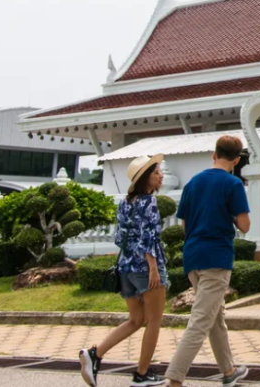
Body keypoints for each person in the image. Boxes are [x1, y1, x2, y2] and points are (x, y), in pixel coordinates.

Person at [165, 136, 251, 387]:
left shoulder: (193, 183)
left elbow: (184, 226)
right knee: (201, 320)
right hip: (217, 256)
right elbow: (244, 225)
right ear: (236, 160)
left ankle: (229, 370)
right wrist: (230, 216)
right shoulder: (232, 184)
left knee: (215, 317)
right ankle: (174, 377)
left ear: (214, 155)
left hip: (193, 257)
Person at [80, 154, 169, 387]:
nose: (161, 175)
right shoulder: (149, 202)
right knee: (154, 321)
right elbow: (149, 237)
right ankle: (142, 374)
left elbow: (120, 237)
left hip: (125, 267)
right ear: (144, 179)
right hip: (145, 267)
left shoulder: (125, 202)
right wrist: (153, 267)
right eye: (156, 172)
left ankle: (94, 354)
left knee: (135, 319)